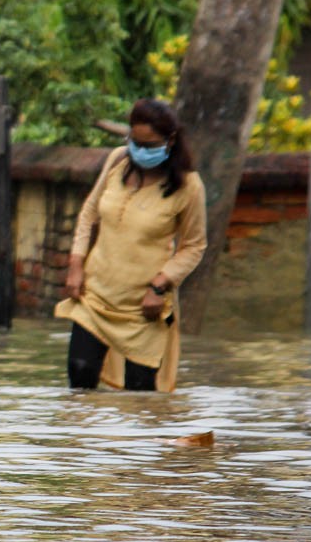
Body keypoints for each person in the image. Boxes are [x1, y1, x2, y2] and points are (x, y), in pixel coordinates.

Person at [54, 98, 207, 392]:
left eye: (149, 146)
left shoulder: (189, 186)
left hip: (143, 306)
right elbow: (88, 214)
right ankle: (80, 438)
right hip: (95, 294)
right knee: (80, 375)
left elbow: (193, 246)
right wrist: (75, 265)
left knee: (140, 394)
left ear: (170, 141)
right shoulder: (117, 161)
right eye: (134, 142)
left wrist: (160, 286)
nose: (139, 152)